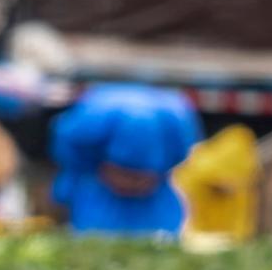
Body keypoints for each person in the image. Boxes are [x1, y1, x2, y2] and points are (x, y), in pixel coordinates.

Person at [50, 84, 201, 238]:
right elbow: (70, 154)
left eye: (138, 177)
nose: (132, 184)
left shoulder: (173, 120)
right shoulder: (91, 124)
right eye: (126, 174)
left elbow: (182, 154)